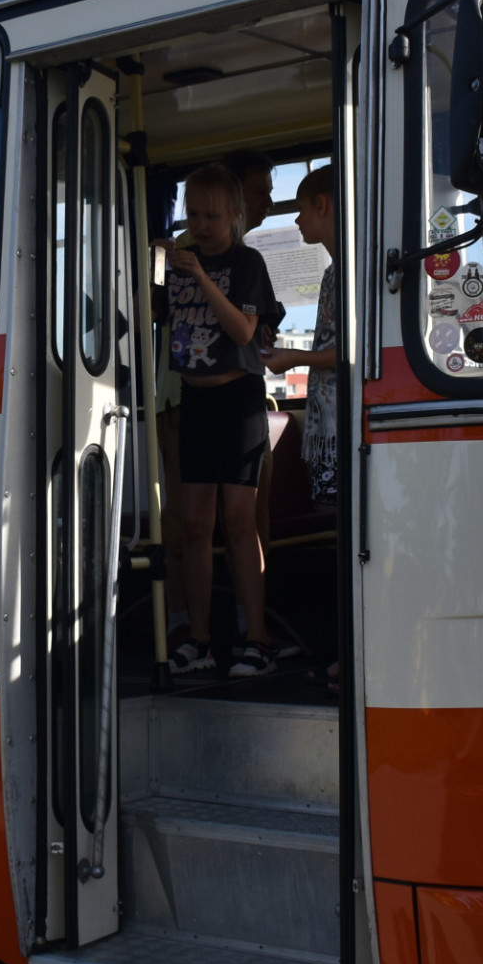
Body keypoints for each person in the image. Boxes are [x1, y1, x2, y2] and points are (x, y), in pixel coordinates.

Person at [158, 164, 279, 678]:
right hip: (194, 400)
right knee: (192, 525)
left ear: (234, 215)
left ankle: (257, 638)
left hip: (239, 398)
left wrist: (202, 276)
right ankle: (200, 638)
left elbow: (244, 330)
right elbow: (151, 316)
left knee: (237, 520)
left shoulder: (246, 262)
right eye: (194, 215)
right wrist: (152, 265)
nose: (201, 225)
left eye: (211, 215)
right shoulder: (175, 266)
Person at [263, 166, 342, 691]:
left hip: (339, 429)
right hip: (327, 427)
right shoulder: (337, 272)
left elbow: (350, 353)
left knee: (346, 543)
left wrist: (295, 356)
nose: (295, 219)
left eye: (301, 207)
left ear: (324, 205)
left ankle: (345, 654)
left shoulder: (351, 267)